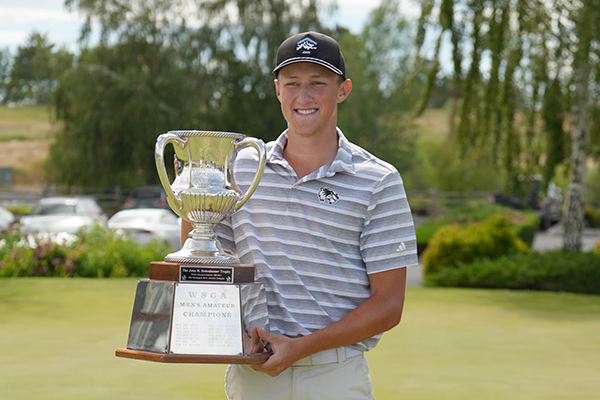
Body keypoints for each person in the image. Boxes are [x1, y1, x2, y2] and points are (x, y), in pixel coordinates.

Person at [181, 31, 418, 400]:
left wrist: (303, 346)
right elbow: (207, 262)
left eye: (317, 83)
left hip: (335, 377)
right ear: (278, 90)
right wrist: (231, 333)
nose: (303, 96)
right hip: (253, 377)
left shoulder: (378, 180)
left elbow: (388, 305)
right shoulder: (240, 168)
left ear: (343, 90)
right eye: (292, 83)